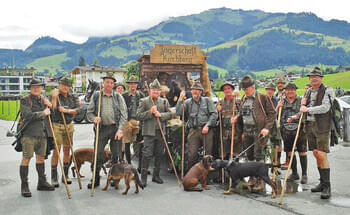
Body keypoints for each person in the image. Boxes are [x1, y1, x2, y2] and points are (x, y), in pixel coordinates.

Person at [86, 72, 127, 189]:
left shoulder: (118, 96)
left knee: (116, 155)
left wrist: (120, 130)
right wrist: (94, 118)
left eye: (111, 82)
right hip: (101, 128)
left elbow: (124, 114)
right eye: (107, 82)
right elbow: (89, 112)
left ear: (114, 84)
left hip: (115, 128)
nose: (109, 84)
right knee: (97, 154)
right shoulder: (96, 95)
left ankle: (114, 177)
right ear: (103, 83)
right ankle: (95, 177)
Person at [300, 67, 334, 199]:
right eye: (311, 77)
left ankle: (327, 186)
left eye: (317, 76)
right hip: (309, 126)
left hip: (322, 126)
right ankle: (322, 182)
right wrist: (300, 113)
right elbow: (303, 109)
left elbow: (325, 107)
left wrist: (307, 109)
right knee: (315, 153)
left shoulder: (328, 90)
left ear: (321, 78)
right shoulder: (308, 91)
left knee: (321, 154)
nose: (314, 78)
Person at [19, 78, 55, 197]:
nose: (36, 88)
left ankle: (42, 182)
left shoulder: (44, 100)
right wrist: (43, 113)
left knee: (40, 159)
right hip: (28, 135)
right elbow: (27, 115)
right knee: (26, 158)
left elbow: (52, 115)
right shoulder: (25, 100)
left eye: (38, 86)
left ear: (42, 88)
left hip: (43, 134)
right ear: (30, 88)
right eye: (33, 86)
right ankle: (24, 186)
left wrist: (50, 107)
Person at [136, 79, 172, 187]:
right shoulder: (144, 101)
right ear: (150, 91)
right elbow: (138, 115)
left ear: (160, 91)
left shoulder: (164, 101)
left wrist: (161, 115)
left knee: (159, 154)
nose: (155, 92)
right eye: (153, 90)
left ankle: (156, 176)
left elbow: (170, 114)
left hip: (161, 132)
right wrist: (150, 112)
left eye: (157, 90)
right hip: (148, 133)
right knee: (147, 155)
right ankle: (143, 178)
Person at [176, 81, 218, 169]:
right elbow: (179, 112)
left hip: (206, 130)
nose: (195, 91)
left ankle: (206, 176)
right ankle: (191, 175)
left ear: (201, 92)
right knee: (192, 154)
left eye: (197, 90)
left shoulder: (207, 100)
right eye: (193, 90)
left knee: (207, 155)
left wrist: (208, 125)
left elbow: (214, 114)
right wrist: (180, 100)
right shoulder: (187, 102)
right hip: (193, 130)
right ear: (191, 91)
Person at [50, 77, 81, 187]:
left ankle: (65, 175)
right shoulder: (54, 95)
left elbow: (78, 110)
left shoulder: (73, 97)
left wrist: (66, 110)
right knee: (57, 151)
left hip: (69, 125)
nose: (65, 87)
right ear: (59, 85)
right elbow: (51, 111)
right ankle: (54, 177)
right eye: (63, 85)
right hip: (57, 125)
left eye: (68, 85)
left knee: (67, 150)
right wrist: (54, 98)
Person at [277, 82, 308, 184]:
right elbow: (274, 114)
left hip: (300, 130)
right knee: (290, 152)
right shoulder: (282, 101)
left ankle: (304, 174)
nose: (290, 91)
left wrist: (295, 116)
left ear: (295, 91)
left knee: (302, 151)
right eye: (288, 90)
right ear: (285, 91)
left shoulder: (301, 100)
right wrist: (278, 107)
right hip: (286, 131)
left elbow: (303, 112)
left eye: (292, 90)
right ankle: (294, 173)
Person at [122, 75, 145, 170]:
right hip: (127, 121)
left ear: (137, 85)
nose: (133, 86)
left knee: (141, 143)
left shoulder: (141, 95)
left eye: (134, 84)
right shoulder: (124, 96)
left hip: (139, 121)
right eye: (131, 84)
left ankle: (140, 166)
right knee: (126, 143)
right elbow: (121, 110)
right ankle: (129, 165)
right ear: (128, 85)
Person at [216, 82, 242, 159]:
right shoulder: (220, 103)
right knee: (224, 154)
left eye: (229, 88)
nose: (227, 90)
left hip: (236, 132)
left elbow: (243, 114)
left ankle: (235, 171)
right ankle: (224, 170)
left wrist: (237, 117)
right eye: (225, 89)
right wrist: (217, 110)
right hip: (224, 133)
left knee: (235, 154)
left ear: (232, 90)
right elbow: (216, 118)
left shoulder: (238, 102)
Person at [265, 82, 282, 170]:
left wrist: (278, 107)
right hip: (265, 124)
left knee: (277, 144)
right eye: (268, 89)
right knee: (266, 145)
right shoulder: (262, 100)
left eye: (272, 90)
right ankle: (265, 165)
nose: (270, 91)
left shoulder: (276, 100)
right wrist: (278, 107)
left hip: (274, 124)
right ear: (266, 90)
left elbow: (276, 115)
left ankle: (275, 165)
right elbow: (269, 114)